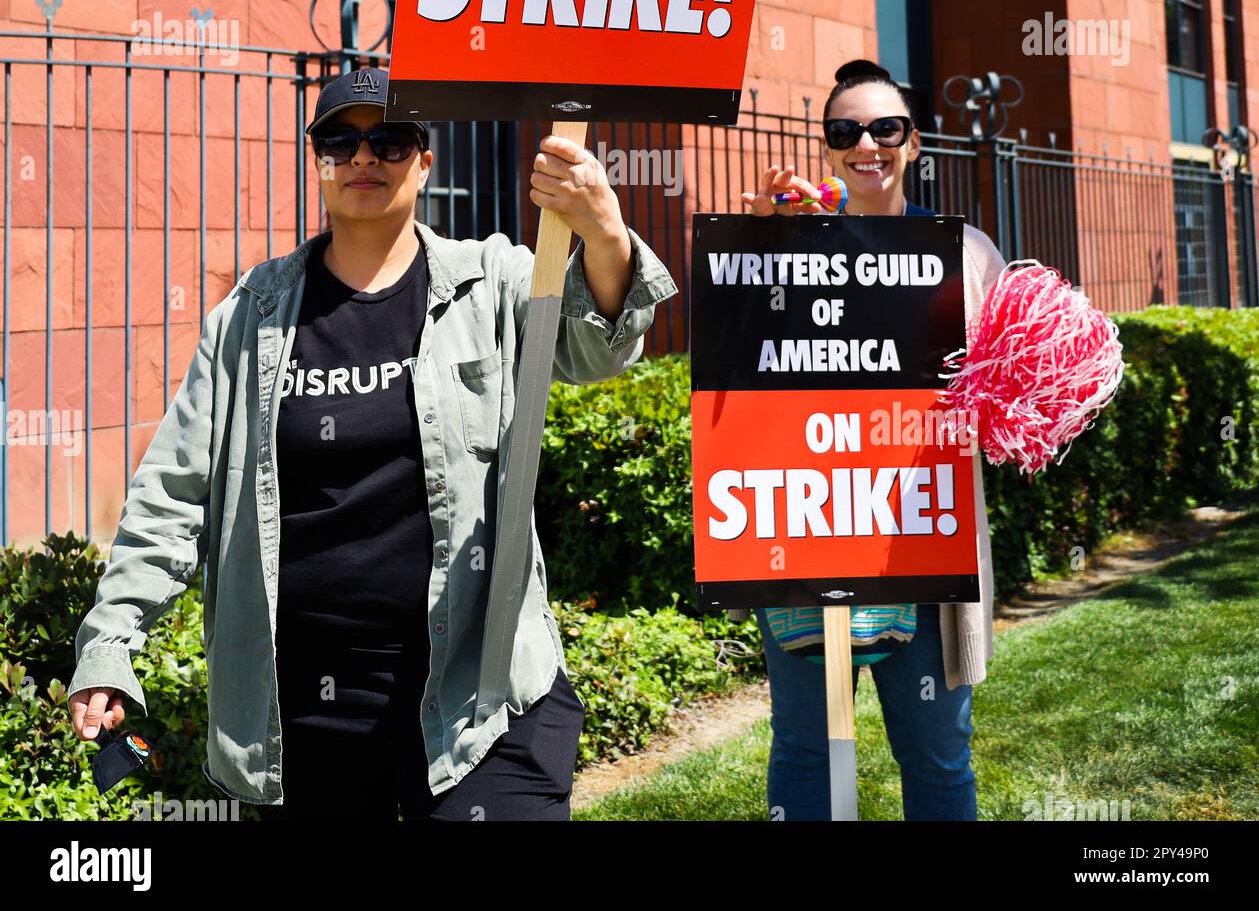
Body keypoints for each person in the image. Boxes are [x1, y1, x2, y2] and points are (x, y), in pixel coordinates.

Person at [67, 66, 678, 820]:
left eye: (389, 140)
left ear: (425, 160)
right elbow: (171, 494)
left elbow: (598, 350)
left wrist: (603, 230)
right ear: (316, 158)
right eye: (339, 141)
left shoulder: (490, 280)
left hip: (478, 693)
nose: (364, 158)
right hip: (305, 709)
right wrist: (111, 646)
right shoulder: (250, 316)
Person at [740, 59, 1006, 822]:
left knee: (934, 751)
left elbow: (1006, 388)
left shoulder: (962, 252)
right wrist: (756, 253)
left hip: (919, 536)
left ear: (913, 142)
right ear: (826, 147)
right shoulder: (783, 245)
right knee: (806, 747)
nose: (867, 144)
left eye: (885, 128)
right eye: (845, 130)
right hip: (808, 527)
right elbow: (733, 370)